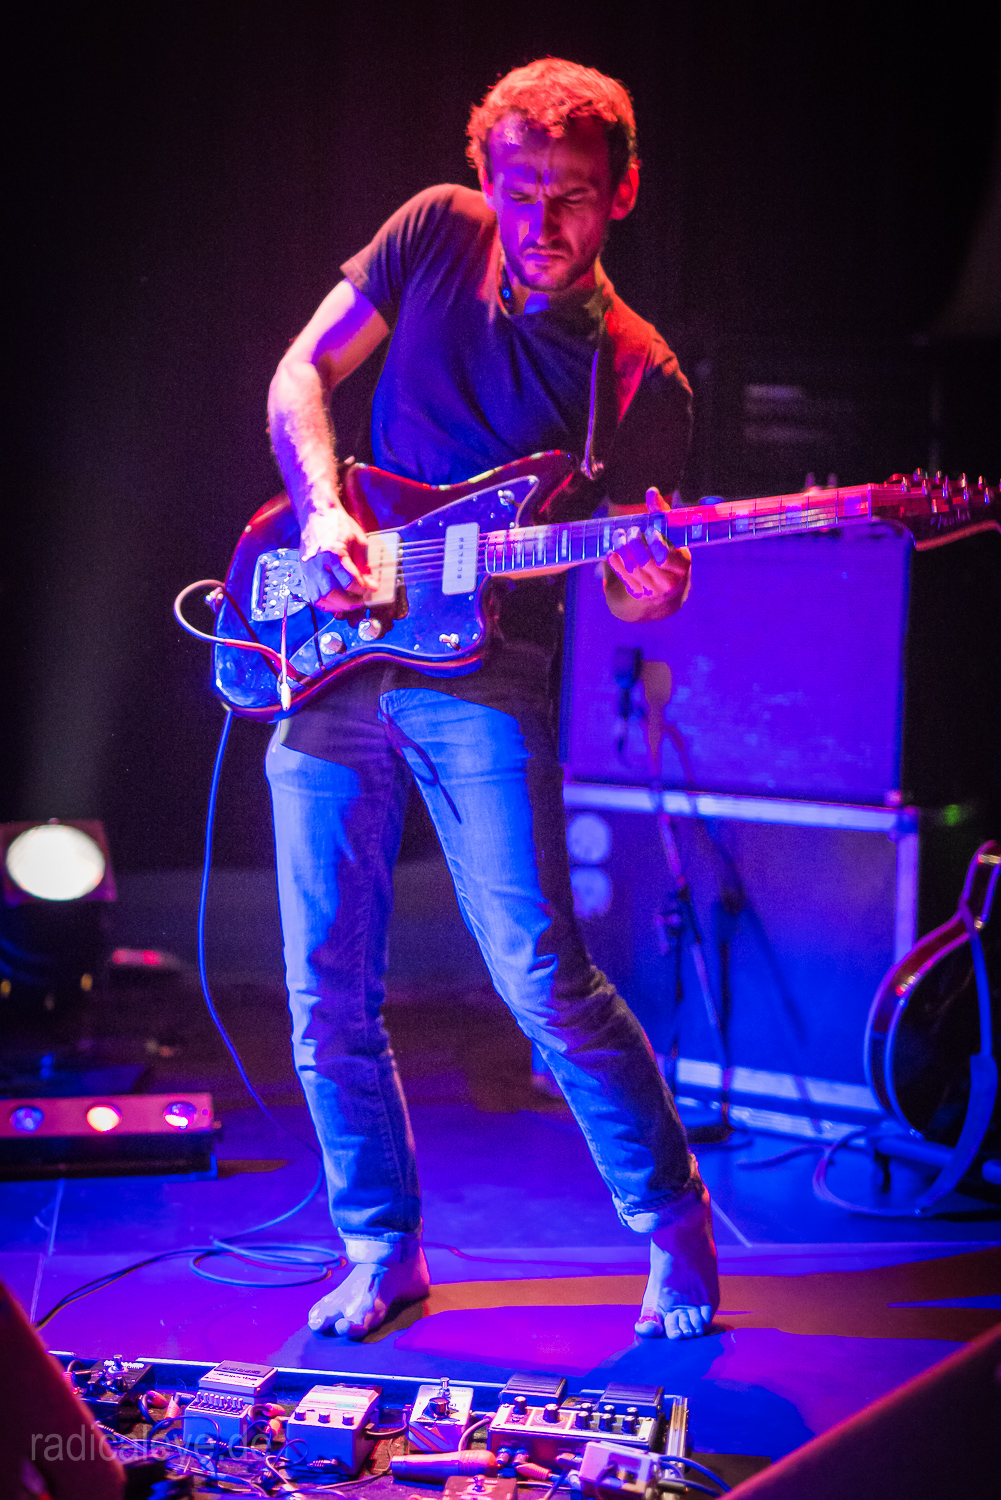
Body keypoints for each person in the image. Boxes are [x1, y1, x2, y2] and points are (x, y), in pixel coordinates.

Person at [265, 58, 720, 1342]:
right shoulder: (430, 231)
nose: (542, 220)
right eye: (521, 191)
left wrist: (651, 583)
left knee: (536, 969)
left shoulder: (636, 373)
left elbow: (631, 586)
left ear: (621, 192)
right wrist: (323, 510)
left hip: (491, 671)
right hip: (341, 638)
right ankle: (379, 1246)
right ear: (484, 178)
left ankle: (672, 1222)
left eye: (571, 193)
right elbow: (300, 375)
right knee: (323, 981)